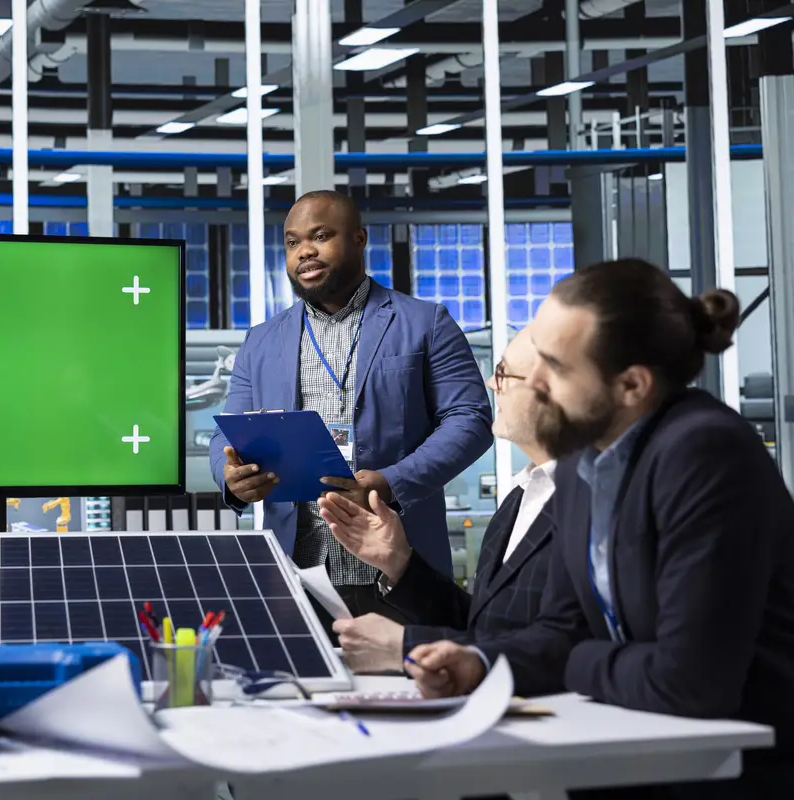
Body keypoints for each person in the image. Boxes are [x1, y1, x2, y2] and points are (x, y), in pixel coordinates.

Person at [404, 259, 794, 796]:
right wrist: (477, 662)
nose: (534, 383)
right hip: (632, 757)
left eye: (556, 367)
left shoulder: (704, 453)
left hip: (729, 775)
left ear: (632, 385)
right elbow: (563, 630)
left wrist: (577, 659)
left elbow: (688, 684)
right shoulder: (583, 459)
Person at [209, 190, 492, 623]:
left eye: (321, 235)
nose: (305, 251)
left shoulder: (425, 323)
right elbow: (225, 435)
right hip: (296, 574)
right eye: (291, 242)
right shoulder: (261, 341)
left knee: (408, 689)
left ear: (359, 239)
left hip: (398, 567)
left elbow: (471, 419)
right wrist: (231, 478)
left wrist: (391, 482)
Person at [318, 327, 557, 672]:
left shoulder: (596, 502)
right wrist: (400, 561)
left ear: (557, 389)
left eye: (503, 372)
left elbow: (567, 647)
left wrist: (406, 645)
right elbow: (479, 629)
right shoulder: (519, 500)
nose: (491, 383)